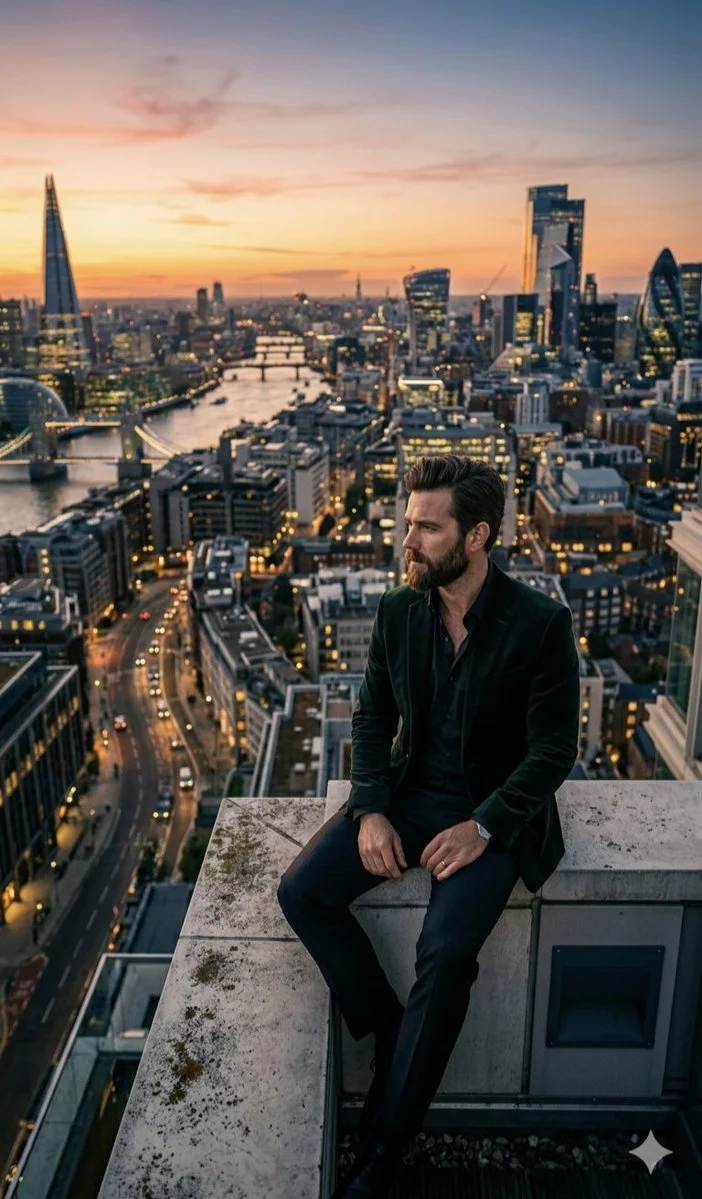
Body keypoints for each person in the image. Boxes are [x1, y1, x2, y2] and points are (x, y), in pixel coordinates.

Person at [277, 454, 580, 1197]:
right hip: (411, 794)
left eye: (426, 528)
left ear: (477, 536)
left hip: (494, 812)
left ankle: (387, 1147)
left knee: (444, 957)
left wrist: (483, 827)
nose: (407, 540)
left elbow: (553, 751)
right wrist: (373, 803)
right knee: (301, 892)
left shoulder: (541, 624)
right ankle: (383, 1019)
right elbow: (375, 716)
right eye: (407, 523)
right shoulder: (398, 609)